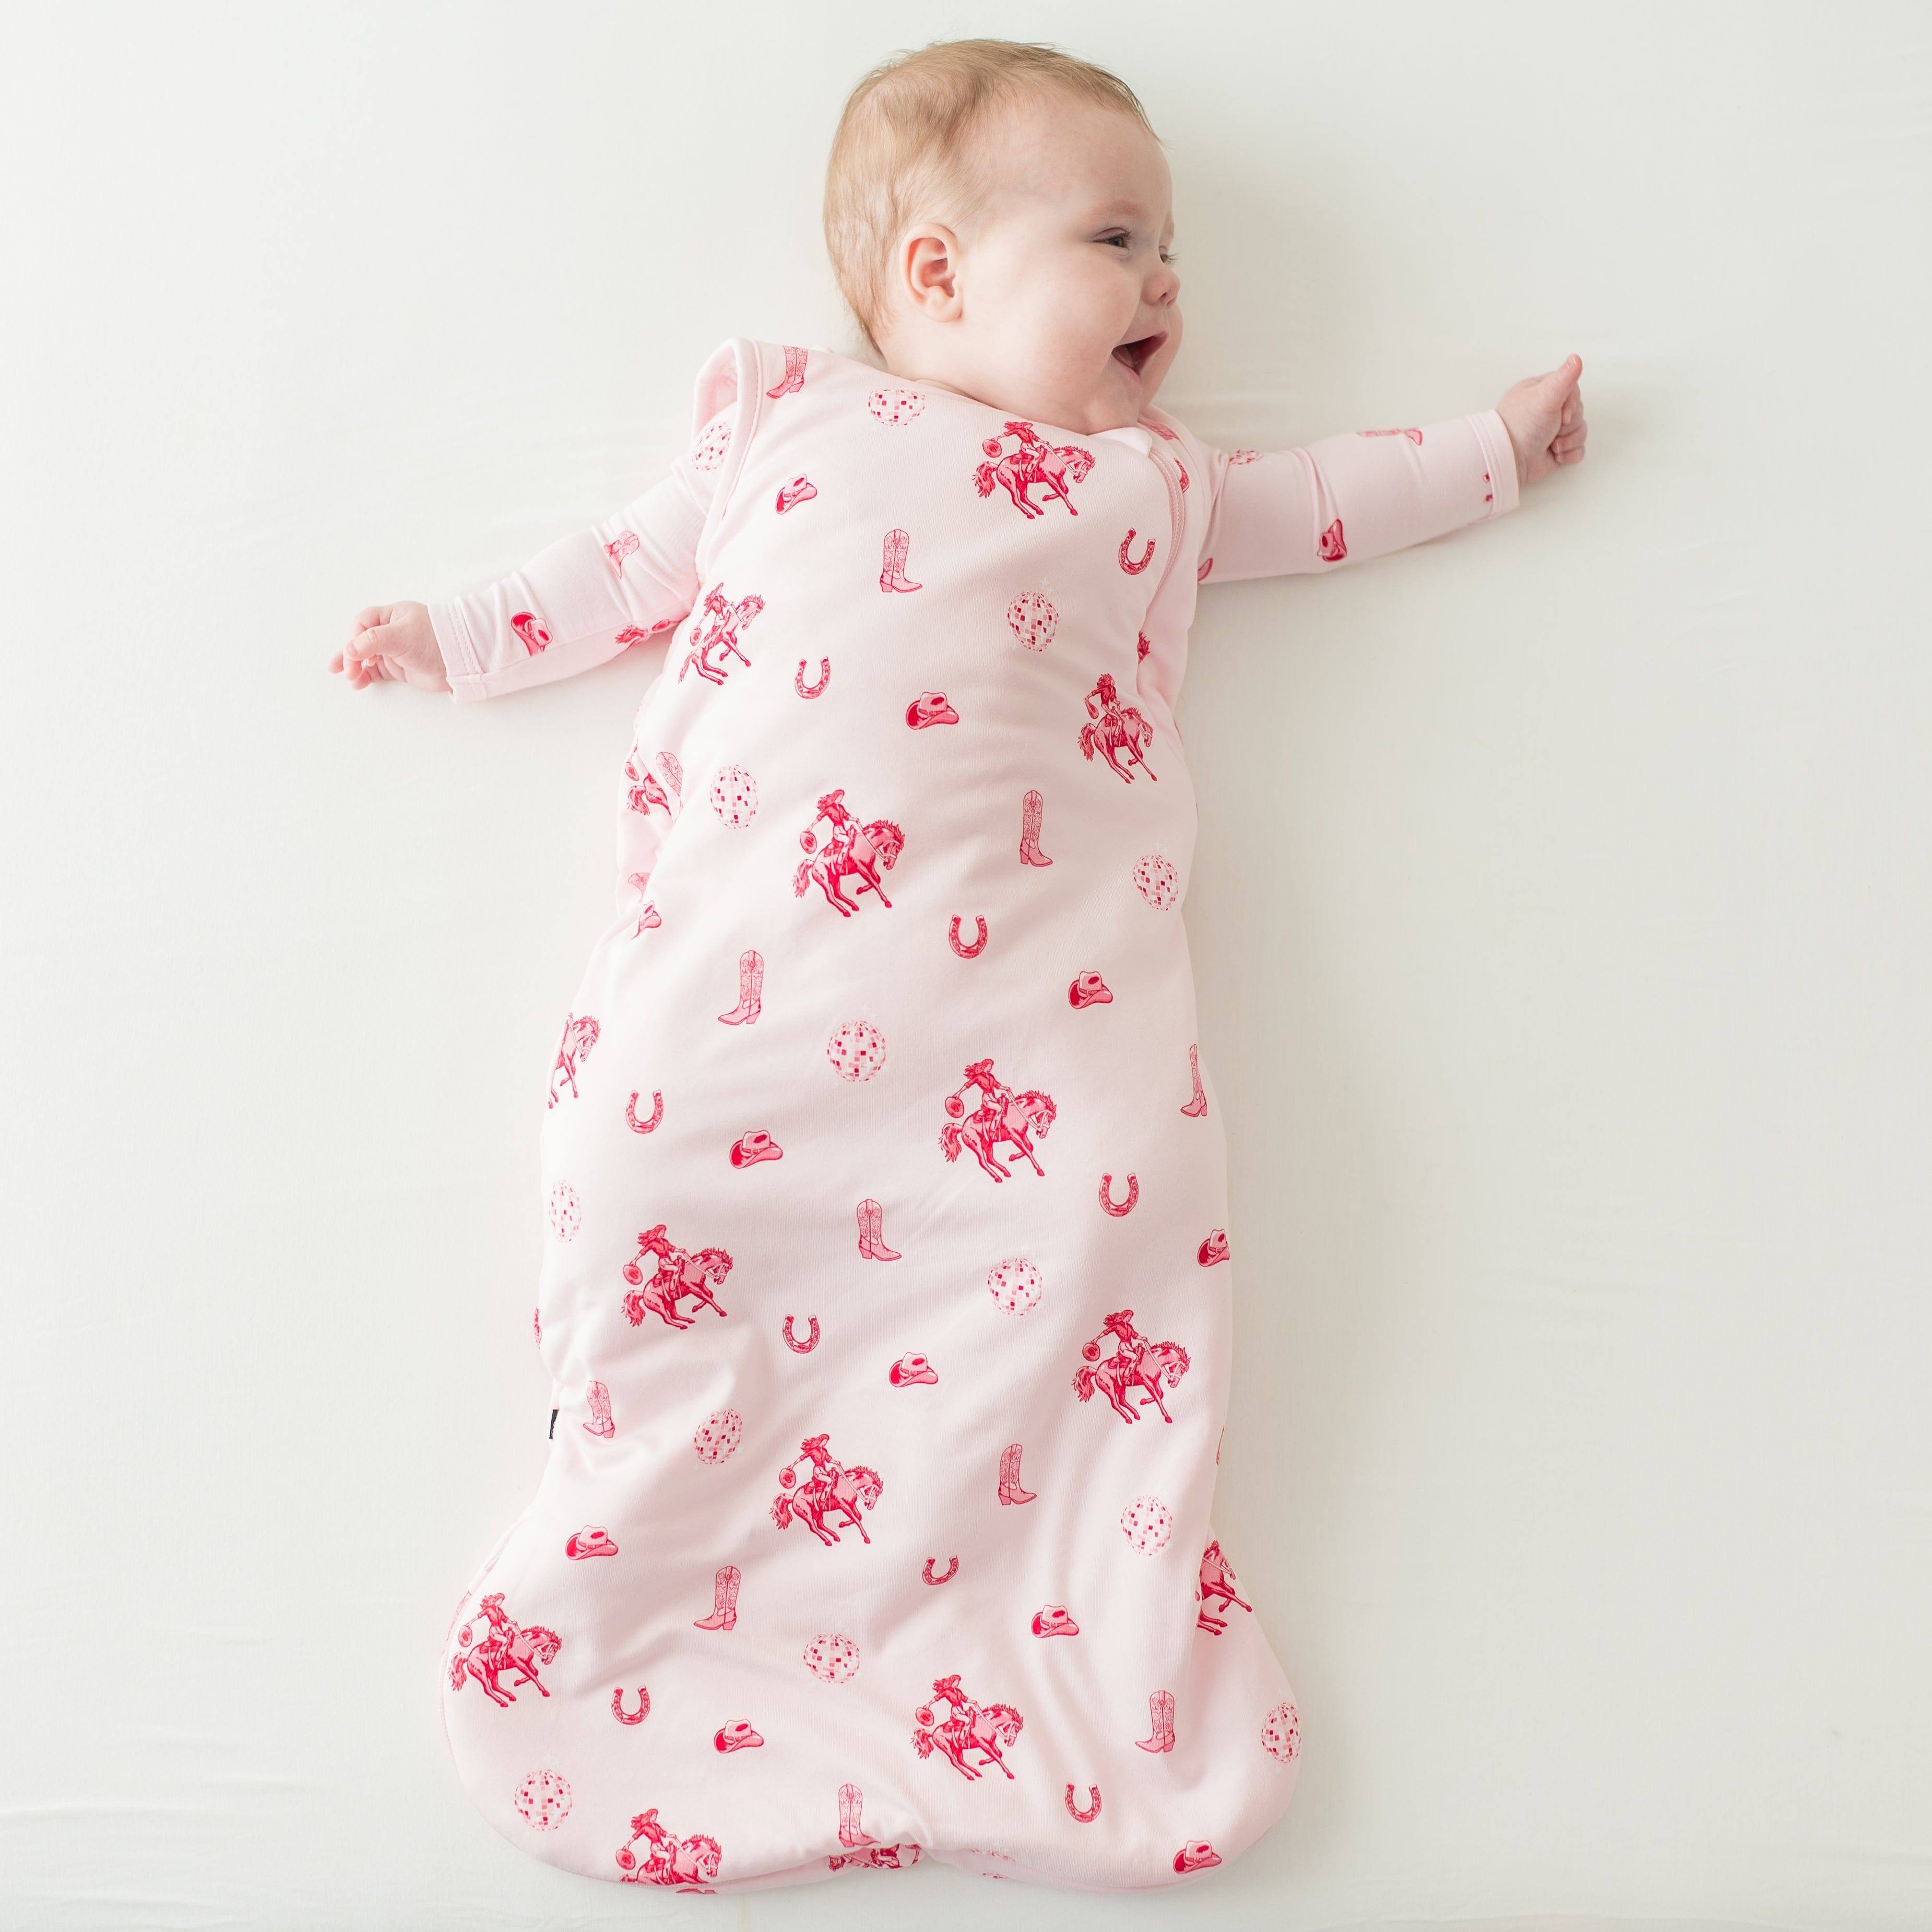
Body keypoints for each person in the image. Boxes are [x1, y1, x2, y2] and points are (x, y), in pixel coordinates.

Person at [328, 37, 1585, 1894]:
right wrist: (454, 634)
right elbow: (616, 574)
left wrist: (1486, 453)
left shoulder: (1144, 492)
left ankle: (1060, 1637)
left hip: (1030, 1030)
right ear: (936, 277)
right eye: (1118, 237)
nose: (1168, 284)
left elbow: (1326, 502)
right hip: (747, 1003)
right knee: (646, 1191)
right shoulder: (783, 423)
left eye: (1167, 250)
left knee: (1104, 1208)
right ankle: (650, 1587)